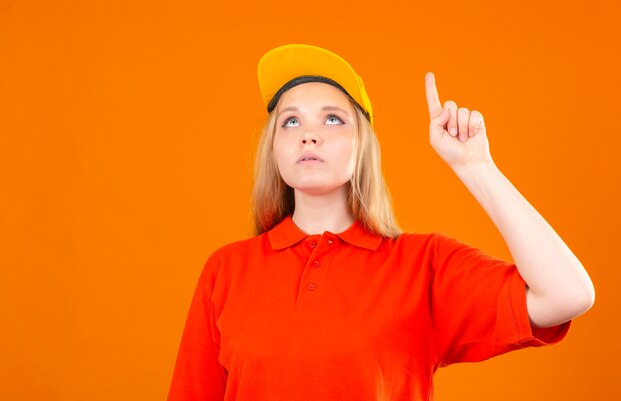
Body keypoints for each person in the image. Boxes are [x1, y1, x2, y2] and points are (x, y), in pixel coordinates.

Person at [166, 44, 595, 401]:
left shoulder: (423, 265)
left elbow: (567, 294)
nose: (308, 134)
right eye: (290, 120)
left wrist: (476, 166)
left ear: (362, 148)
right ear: (274, 148)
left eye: (333, 119)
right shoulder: (226, 270)